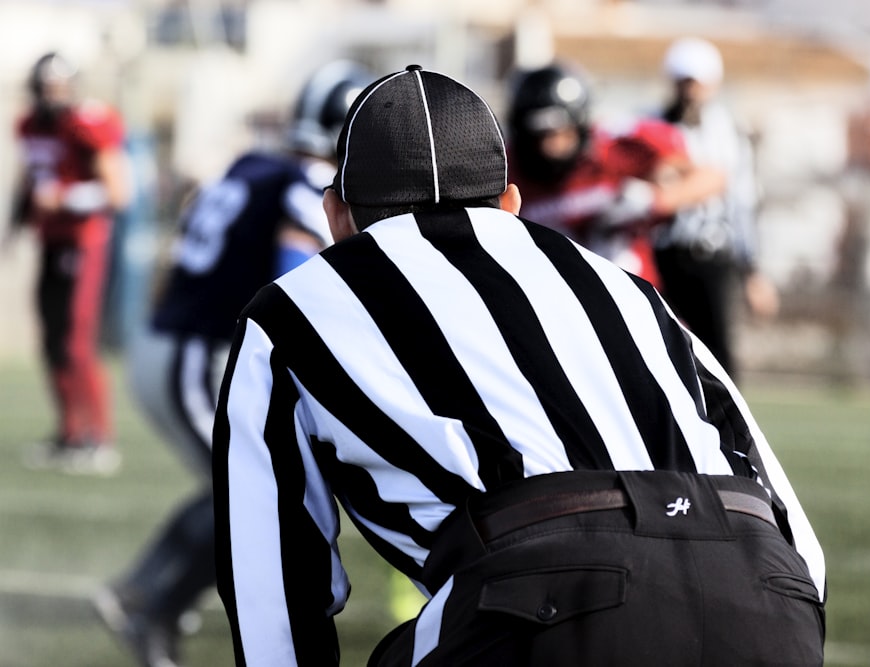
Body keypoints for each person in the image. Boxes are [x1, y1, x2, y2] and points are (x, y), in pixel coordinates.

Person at [213, 64, 825, 666]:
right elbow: (795, 534)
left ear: (335, 215)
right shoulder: (630, 291)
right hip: (768, 595)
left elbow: (271, 586)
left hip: (539, 596)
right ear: (510, 203)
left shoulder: (290, 310)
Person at [91, 60, 374, 667]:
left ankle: (146, 593)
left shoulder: (254, 166)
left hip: (173, 340)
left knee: (239, 482)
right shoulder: (304, 179)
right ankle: (147, 600)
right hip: (190, 349)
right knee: (248, 485)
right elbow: (291, 266)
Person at [7, 52, 132, 475]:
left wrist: (64, 198)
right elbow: (29, 179)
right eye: (45, 87)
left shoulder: (88, 123)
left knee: (78, 342)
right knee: (50, 340)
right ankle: (69, 435)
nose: (51, 95)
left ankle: (98, 439)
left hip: (85, 240)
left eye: (58, 87)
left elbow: (117, 194)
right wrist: (14, 226)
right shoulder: (29, 124)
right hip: (51, 240)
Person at [506, 62, 726, 288]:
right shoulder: (506, 169)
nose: (550, 148)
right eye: (539, 136)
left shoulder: (613, 145)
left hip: (629, 296)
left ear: (580, 124)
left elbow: (710, 178)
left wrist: (654, 200)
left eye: (561, 134)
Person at [654, 37, 780, 379]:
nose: (690, 91)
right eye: (684, 82)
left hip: (710, 255)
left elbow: (742, 204)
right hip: (660, 252)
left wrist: (752, 270)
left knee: (718, 355)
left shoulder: (728, 132)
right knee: (656, 345)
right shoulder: (651, 125)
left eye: (697, 83)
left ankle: (725, 431)